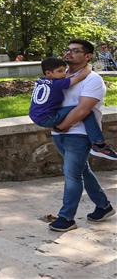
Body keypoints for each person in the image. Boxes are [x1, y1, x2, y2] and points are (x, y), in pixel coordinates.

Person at [46, 40, 115, 232]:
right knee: (82, 170)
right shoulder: (61, 76)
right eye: (67, 49)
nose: (68, 53)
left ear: (87, 56)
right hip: (58, 133)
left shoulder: (92, 80)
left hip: (79, 135)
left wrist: (60, 127)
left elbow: (83, 110)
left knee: (72, 174)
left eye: (75, 51)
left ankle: (67, 218)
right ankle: (103, 206)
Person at [29, 58, 116, 159]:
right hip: (48, 118)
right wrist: (88, 66)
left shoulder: (41, 80)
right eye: (60, 71)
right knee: (83, 110)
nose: (64, 74)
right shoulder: (57, 84)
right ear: (48, 73)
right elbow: (81, 76)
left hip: (36, 116)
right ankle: (98, 144)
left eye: (64, 70)